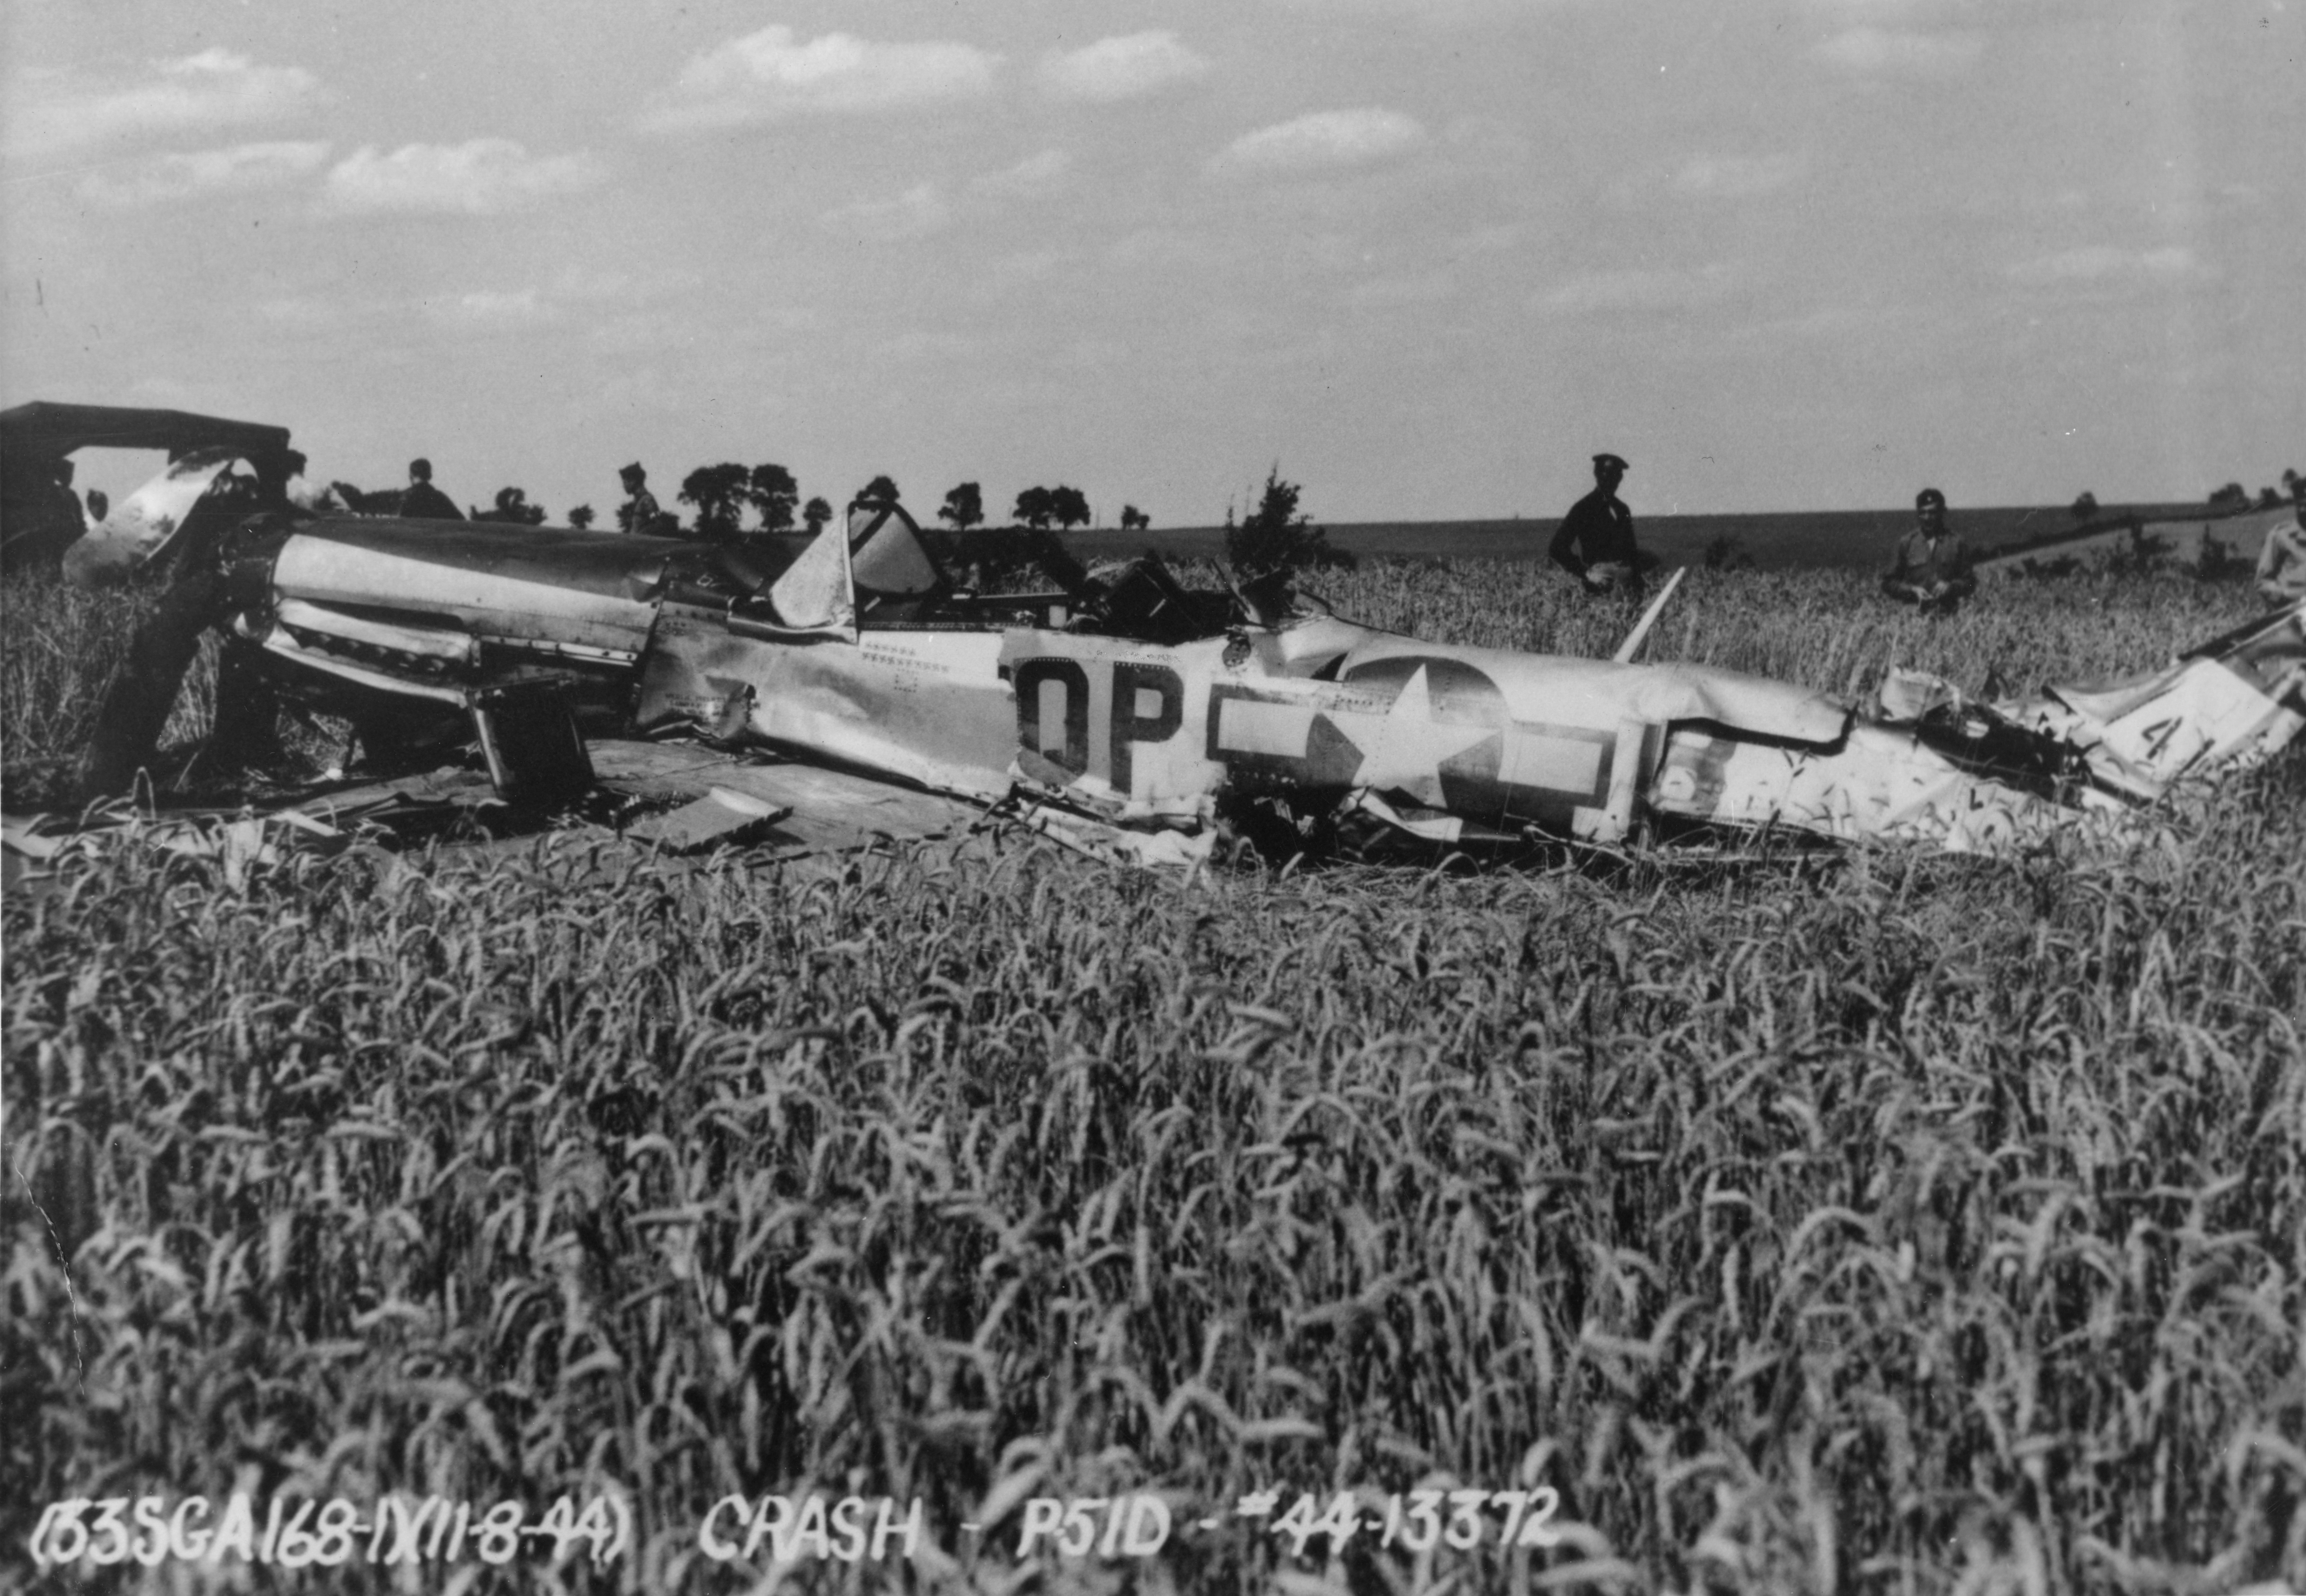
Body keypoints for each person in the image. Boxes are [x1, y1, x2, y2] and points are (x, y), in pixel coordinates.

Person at [1549, 452, 1644, 599]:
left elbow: (1631, 549)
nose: (1612, 481)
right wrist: (1587, 574)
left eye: (1617, 475)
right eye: (1607, 475)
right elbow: (1557, 547)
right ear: (1597, 475)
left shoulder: (1622, 509)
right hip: (1601, 578)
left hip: (1626, 577)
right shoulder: (1583, 508)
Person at [1881, 487, 1976, 615]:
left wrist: (1951, 586)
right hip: (1914, 619)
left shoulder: (1957, 543)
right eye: (1923, 512)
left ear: (1943, 512)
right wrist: (1912, 590)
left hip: (1948, 619)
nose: (1927, 517)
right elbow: (1888, 583)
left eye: (1933, 512)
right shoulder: (1907, 543)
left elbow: (1970, 583)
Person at [2257, 482, 2306, 605]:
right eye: (2302, 504)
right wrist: (2286, 595)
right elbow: (2262, 583)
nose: (2304, 509)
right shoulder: (2280, 536)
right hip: (2291, 612)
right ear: (2297, 505)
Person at [398, 458, 463, 521]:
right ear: (430, 475)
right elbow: (461, 521)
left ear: (411, 476)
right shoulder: (440, 498)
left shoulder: (406, 497)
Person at [617, 462, 661, 536]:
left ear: (633, 481)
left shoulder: (647, 500)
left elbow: (657, 523)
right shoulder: (639, 501)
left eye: (625, 482)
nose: (624, 486)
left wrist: (641, 535)